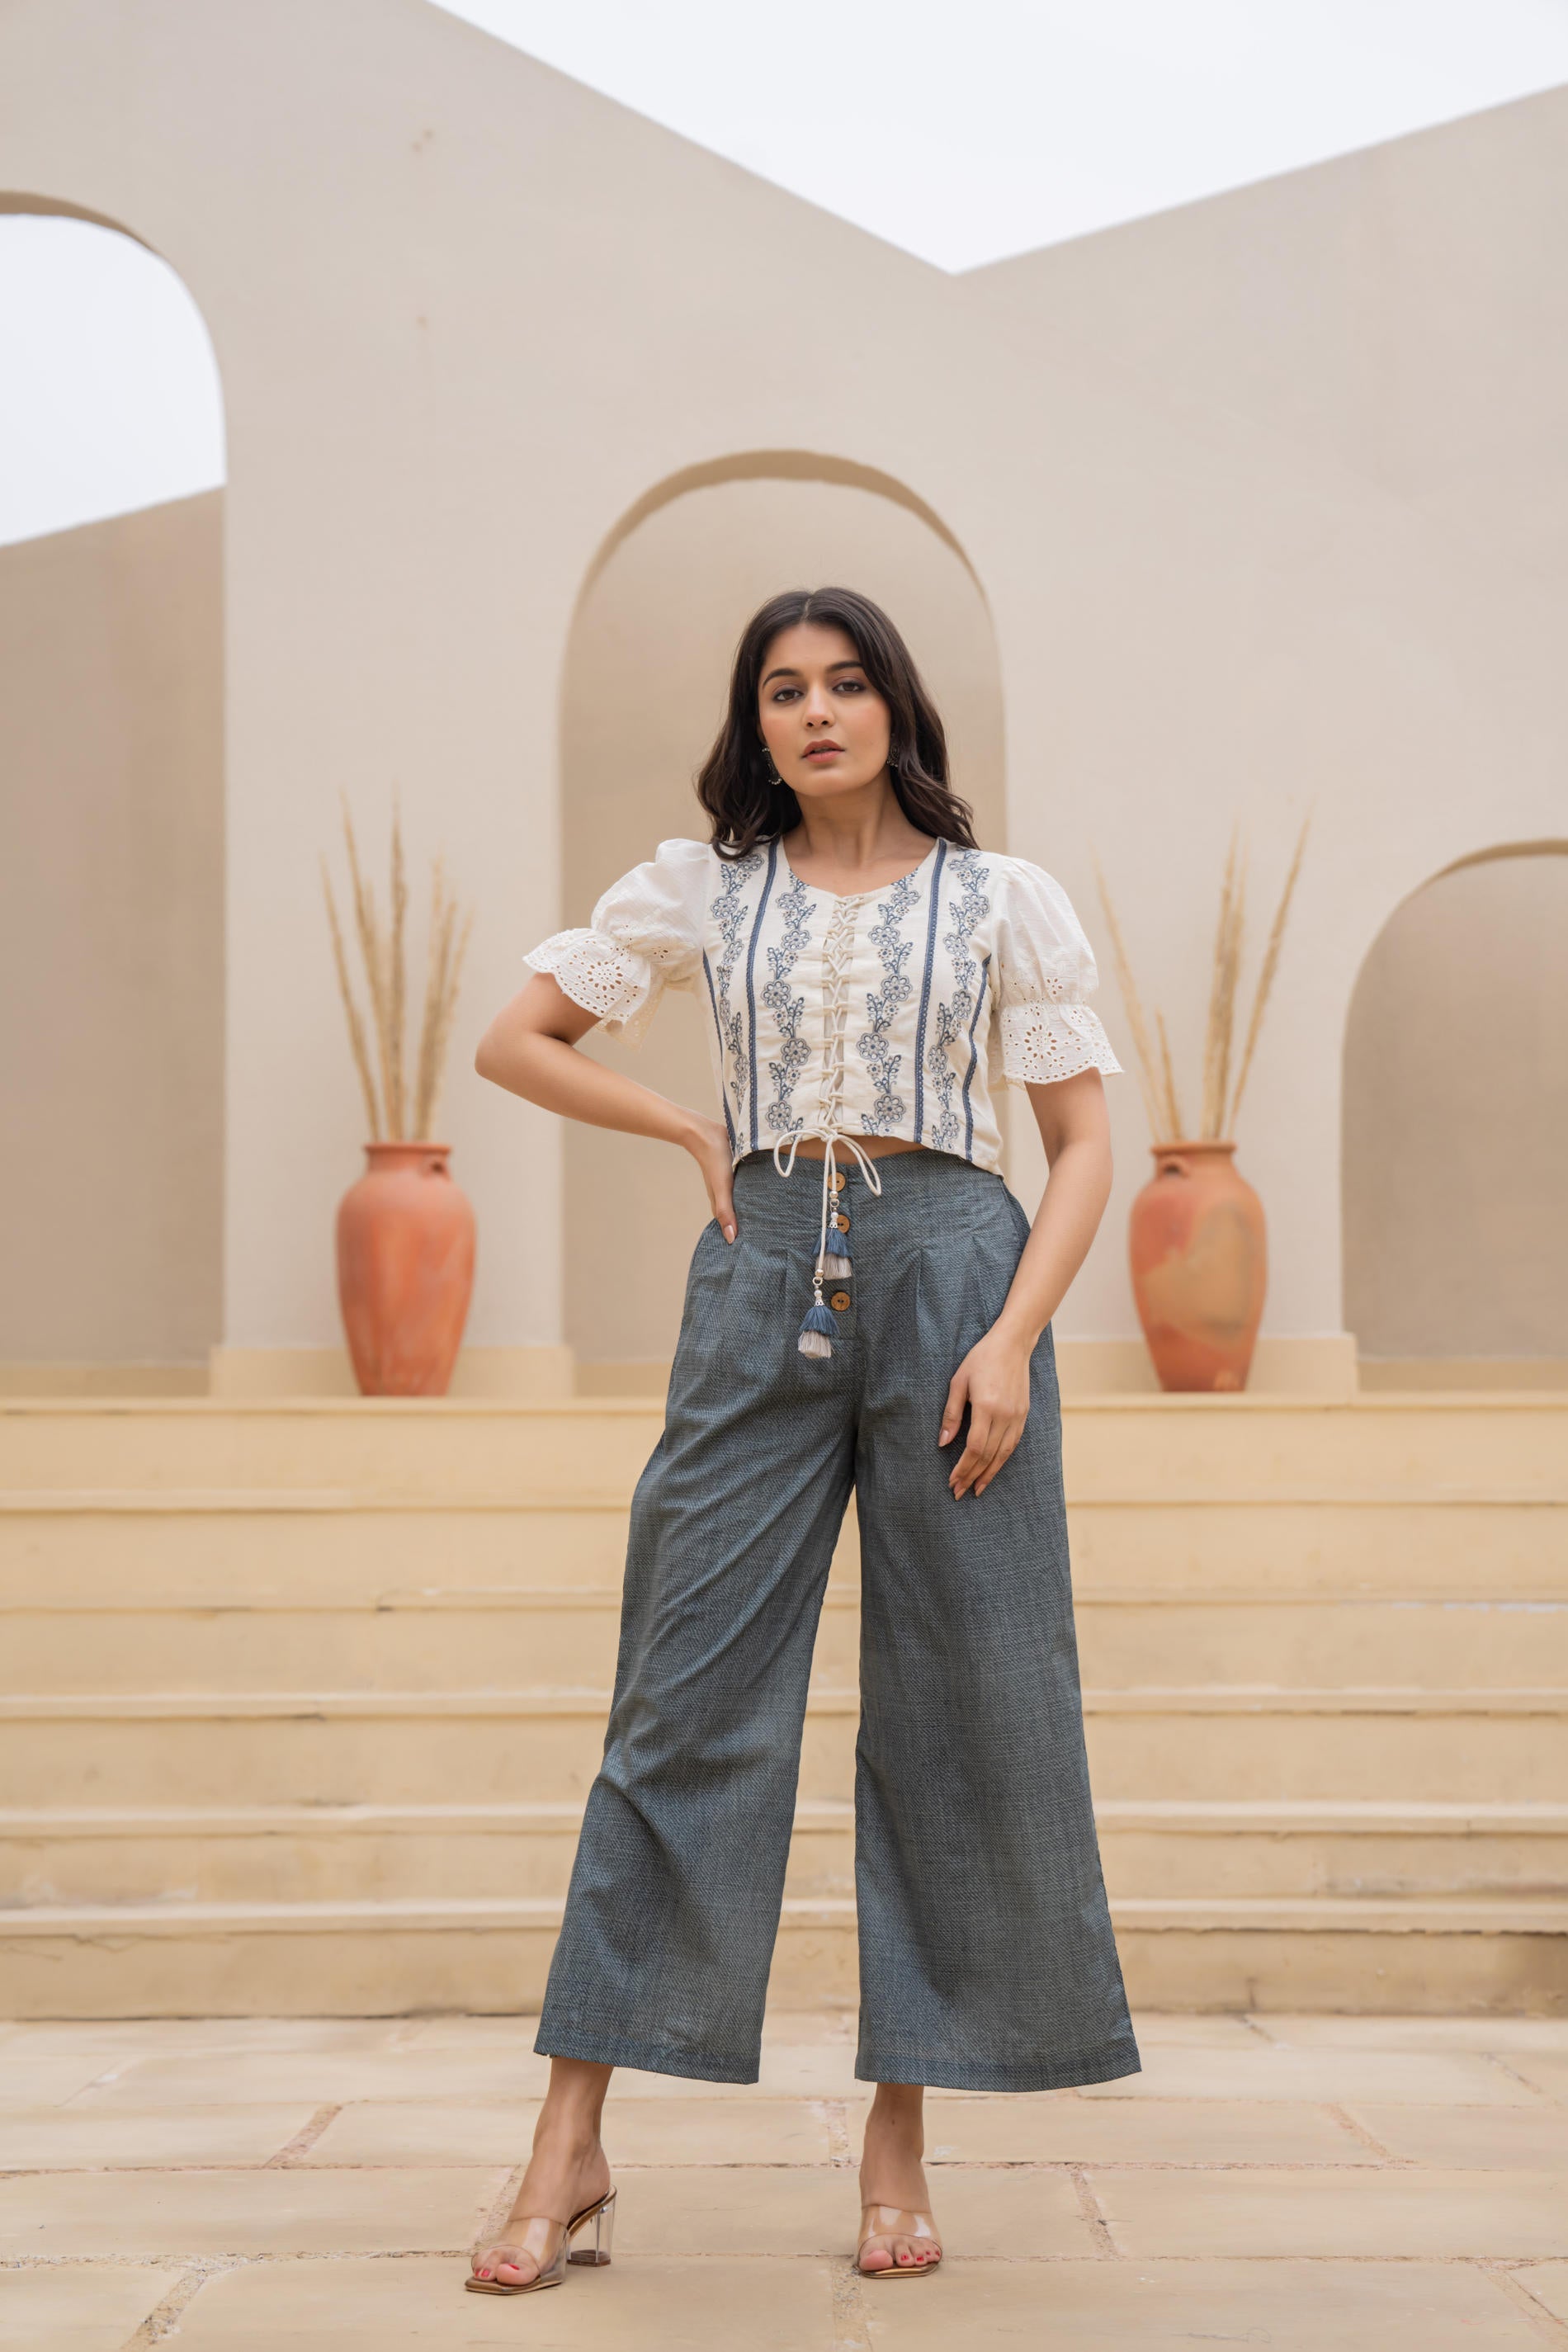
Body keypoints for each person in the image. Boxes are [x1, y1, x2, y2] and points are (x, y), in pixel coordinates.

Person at [465, 584, 1139, 2297]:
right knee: (677, 1698)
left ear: (895, 706)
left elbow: (1076, 1150)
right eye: (782, 689)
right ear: (753, 720)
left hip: (954, 1279)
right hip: (763, 1272)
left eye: (845, 684)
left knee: (959, 1708)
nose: (815, 713)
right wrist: (687, 1124)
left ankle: (896, 2137)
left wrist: (1007, 1338)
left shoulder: (1001, 900)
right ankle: (569, 2141)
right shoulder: (705, 888)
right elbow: (513, 1039)